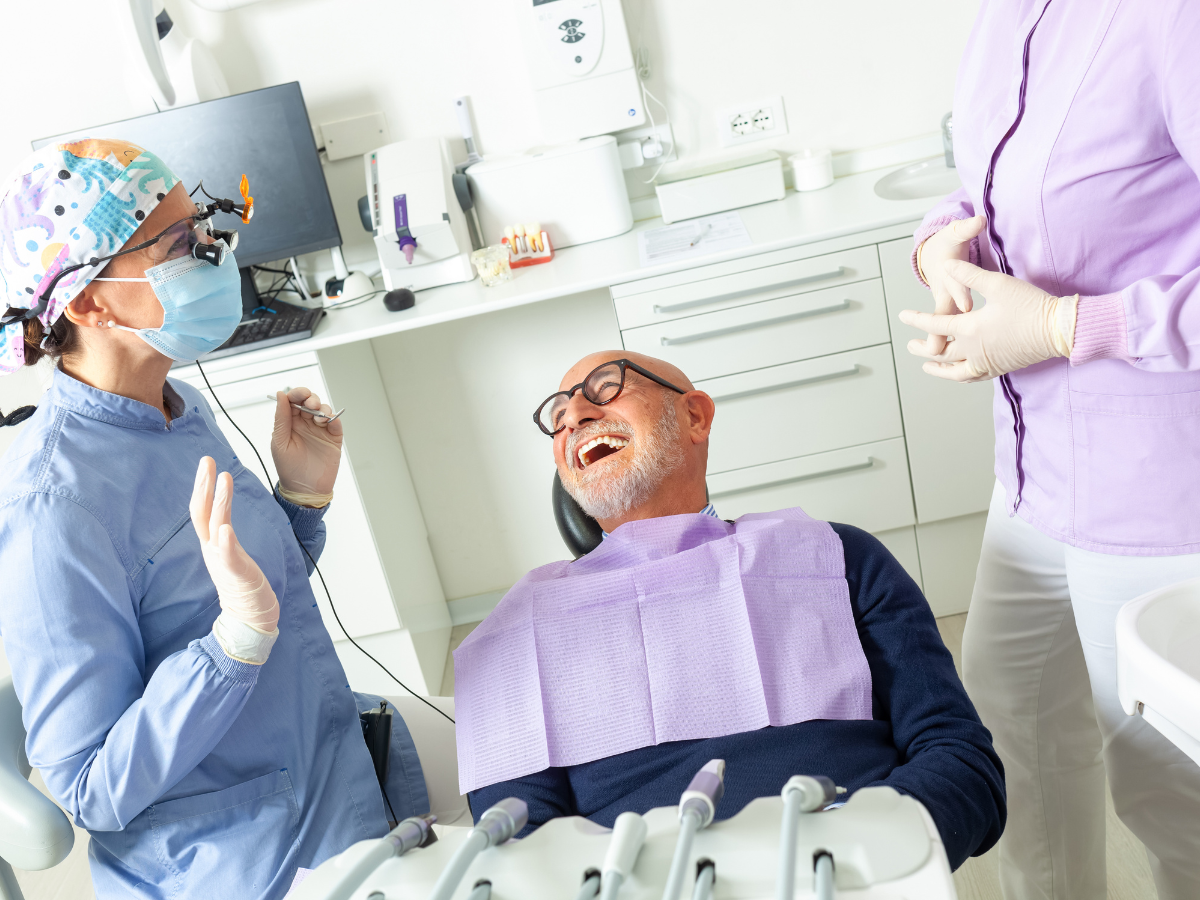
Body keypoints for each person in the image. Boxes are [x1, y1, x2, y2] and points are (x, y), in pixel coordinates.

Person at [0, 140, 427, 900]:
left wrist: (300, 501)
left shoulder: (173, 406)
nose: (210, 255)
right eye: (175, 247)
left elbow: (237, 599)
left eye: (202, 230)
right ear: (90, 302)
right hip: (242, 866)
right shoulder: (53, 513)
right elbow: (92, 788)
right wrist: (233, 644)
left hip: (333, 783)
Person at [453, 351, 1006, 871]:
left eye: (607, 387)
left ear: (694, 416)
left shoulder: (835, 557)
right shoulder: (513, 636)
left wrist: (857, 855)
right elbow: (522, 847)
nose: (573, 413)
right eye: (559, 413)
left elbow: (961, 763)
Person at [897, 4, 1200, 899]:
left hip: (1158, 497)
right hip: (1032, 476)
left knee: (1167, 789)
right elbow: (997, 188)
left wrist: (1071, 324)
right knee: (1011, 727)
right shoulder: (1010, 17)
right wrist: (938, 247)